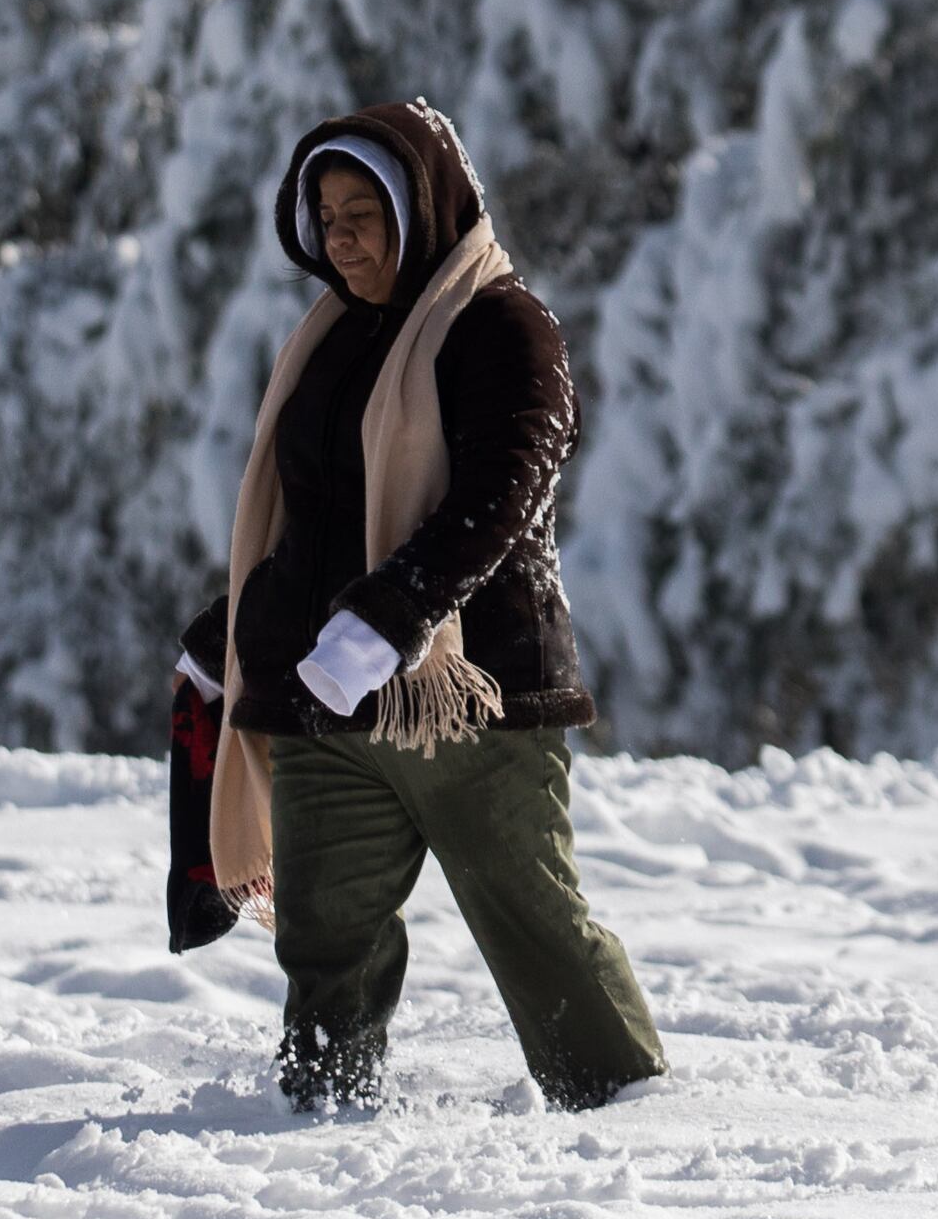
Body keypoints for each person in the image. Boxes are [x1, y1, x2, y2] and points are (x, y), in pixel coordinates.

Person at [173, 99, 665, 1112]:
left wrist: (391, 620)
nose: (340, 236)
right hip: (325, 707)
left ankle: (627, 1120)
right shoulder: (329, 341)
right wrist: (239, 626)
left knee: (532, 921)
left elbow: (506, 490)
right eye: (326, 214)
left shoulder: (501, 324)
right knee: (325, 935)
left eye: (364, 211)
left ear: (423, 207)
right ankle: (322, 1111)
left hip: (465, 699)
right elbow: (308, 519)